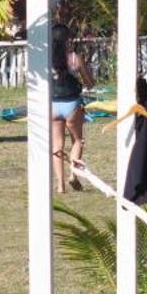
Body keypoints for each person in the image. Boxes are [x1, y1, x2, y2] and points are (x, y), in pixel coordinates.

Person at [49, 21, 88, 193]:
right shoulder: (74, 58)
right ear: (68, 39)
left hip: (53, 105)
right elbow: (89, 82)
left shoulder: (46, 59)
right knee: (78, 140)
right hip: (72, 103)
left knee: (57, 144)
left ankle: (60, 185)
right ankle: (73, 175)